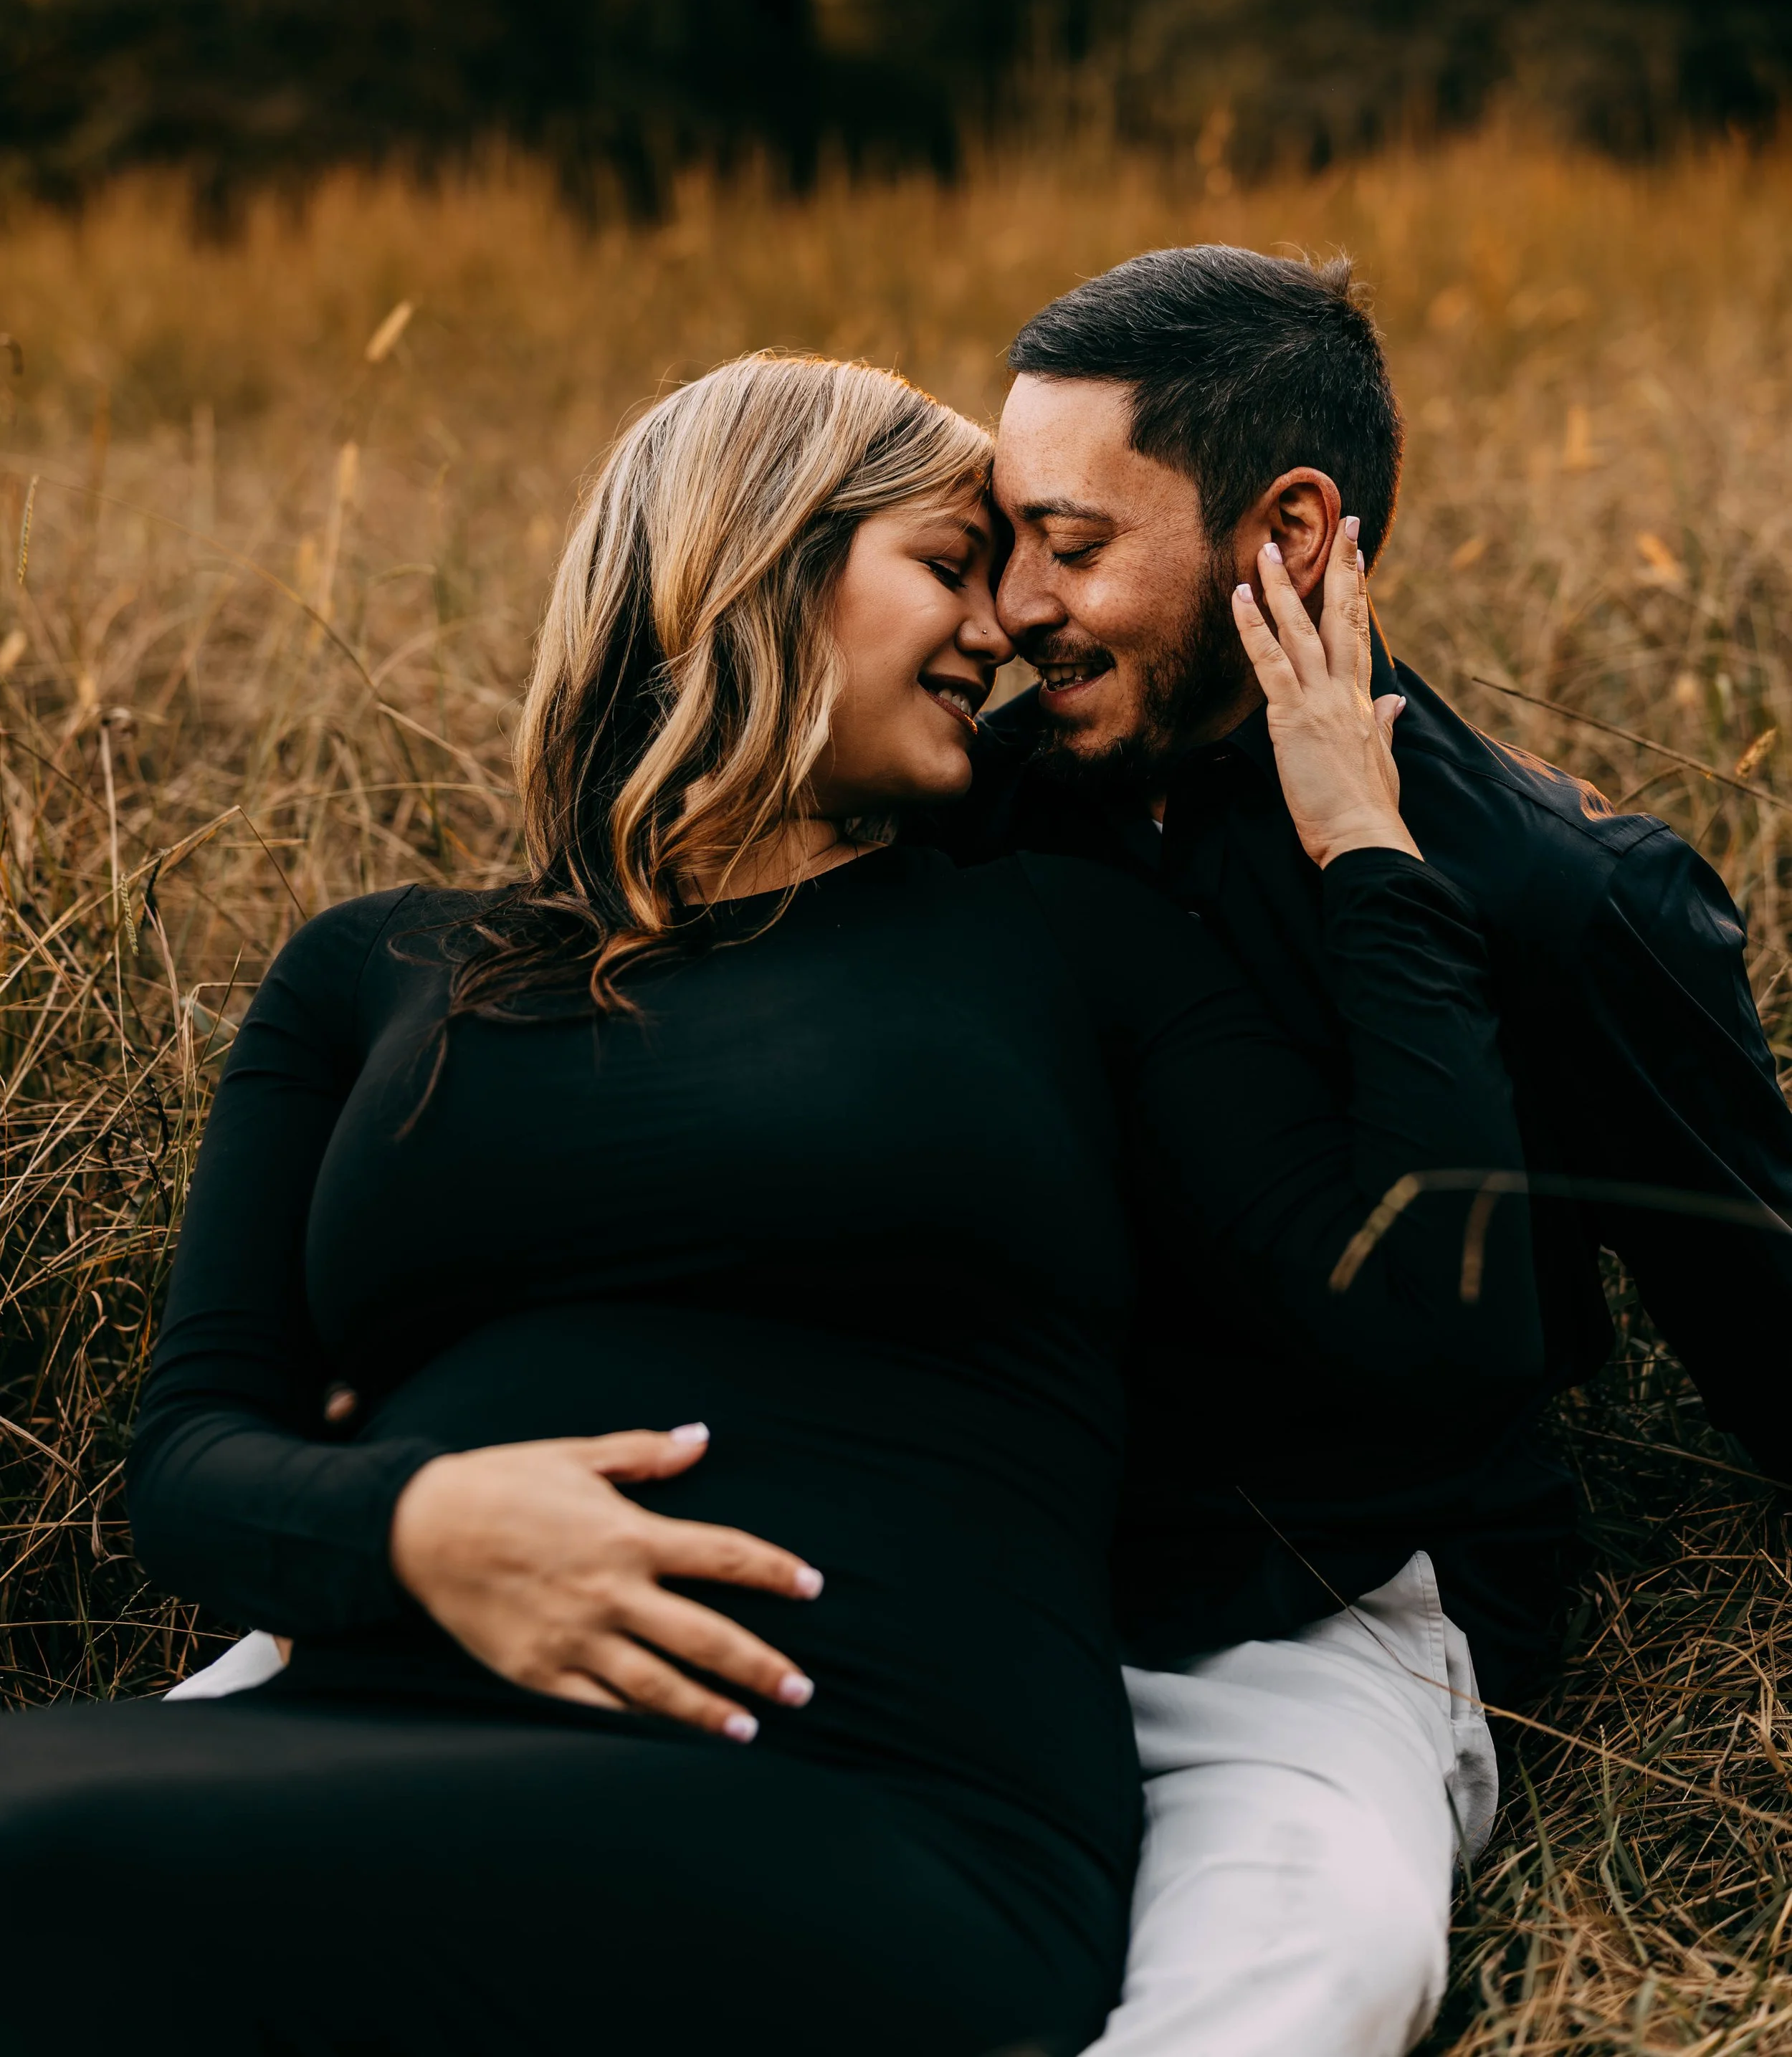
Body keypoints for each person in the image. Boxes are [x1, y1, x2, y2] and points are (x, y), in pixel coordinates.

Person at [0, 351, 1540, 2057]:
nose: (1000, 629)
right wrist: (416, 1527)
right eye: (946, 569)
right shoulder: (376, 970)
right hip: (367, 1717)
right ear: (748, 560)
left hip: (854, 1789)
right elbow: (192, 1465)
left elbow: (1438, 1319)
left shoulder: (1057, 943)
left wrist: (1367, 854)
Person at [927, 241, 1792, 2057]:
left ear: (1294, 530)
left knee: (1303, 1978)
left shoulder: (1554, 900)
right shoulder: (960, 815)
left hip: (1328, 1615)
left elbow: (1765, 1327)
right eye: (1003, 541)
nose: (1009, 610)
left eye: (1073, 546)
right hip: (966, 1562)